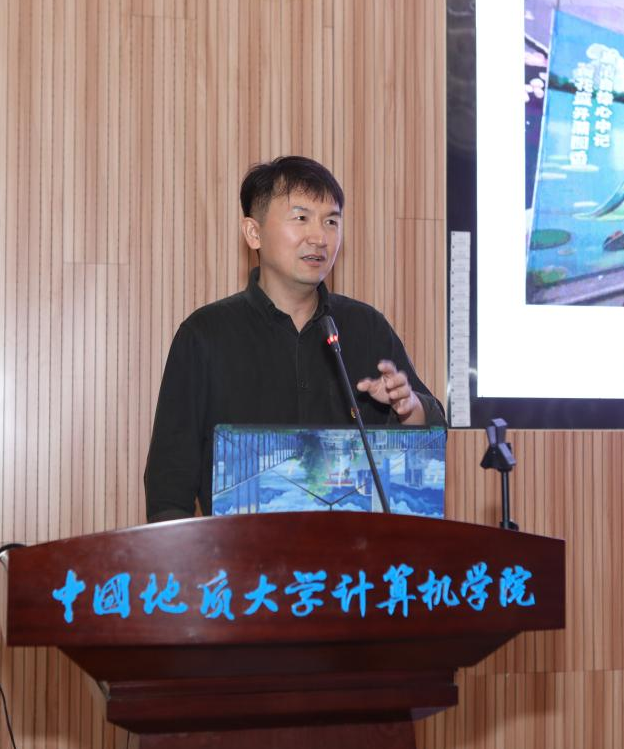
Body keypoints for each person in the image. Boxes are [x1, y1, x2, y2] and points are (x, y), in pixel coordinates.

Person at [144, 156, 445, 522]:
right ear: (253, 233)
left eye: (331, 221)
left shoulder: (367, 326)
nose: (319, 237)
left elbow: (433, 436)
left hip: (357, 554)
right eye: (301, 218)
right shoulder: (204, 335)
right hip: (240, 555)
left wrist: (409, 408)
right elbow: (169, 482)